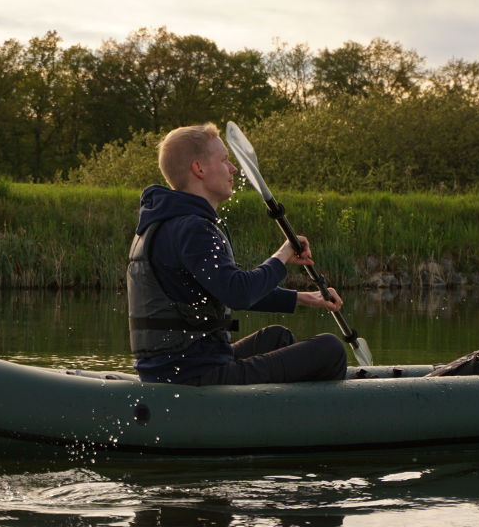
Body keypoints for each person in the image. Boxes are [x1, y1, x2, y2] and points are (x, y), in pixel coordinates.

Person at [127, 122, 348, 385]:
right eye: (224, 160)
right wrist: (283, 255)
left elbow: (225, 288)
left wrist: (303, 298)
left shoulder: (167, 221)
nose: (233, 169)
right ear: (198, 168)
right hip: (193, 374)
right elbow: (238, 292)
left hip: (177, 366)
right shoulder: (192, 228)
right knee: (330, 350)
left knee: (277, 338)